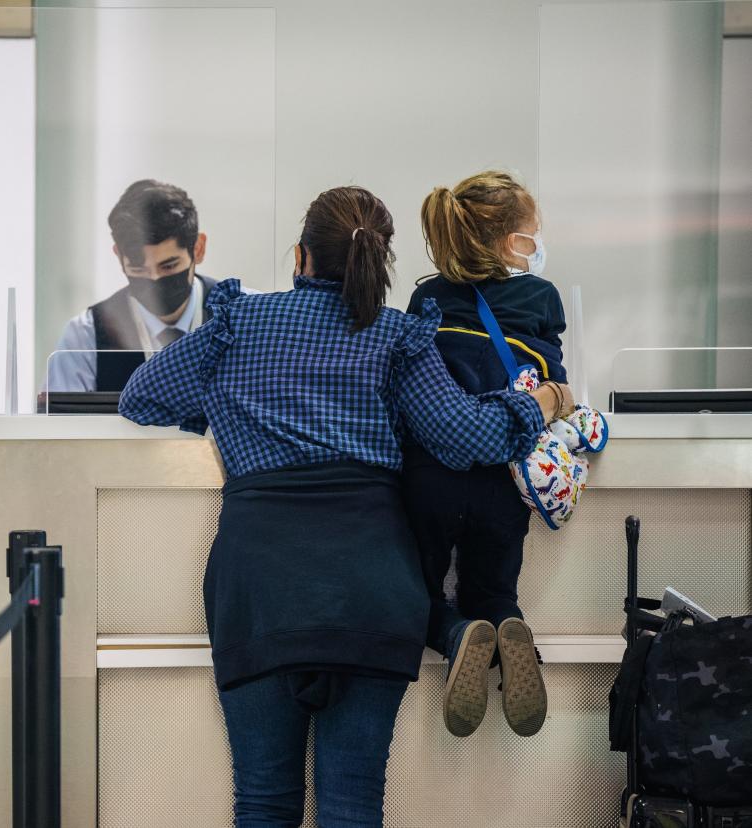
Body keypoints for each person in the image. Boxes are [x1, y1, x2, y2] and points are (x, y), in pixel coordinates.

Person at [119, 185, 572, 827]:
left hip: (259, 590)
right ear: (380, 267)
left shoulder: (240, 322)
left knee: (263, 804)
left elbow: (142, 395)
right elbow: (470, 437)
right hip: (373, 587)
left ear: (301, 257)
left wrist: (226, 407)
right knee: (352, 808)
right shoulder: (397, 338)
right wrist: (542, 403)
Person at [403, 171, 567, 740]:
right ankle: (504, 622)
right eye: (530, 235)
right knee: (494, 587)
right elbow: (555, 380)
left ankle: (456, 635)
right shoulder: (541, 297)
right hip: (504, 477)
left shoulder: (426, 298)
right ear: (502, 240)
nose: (537, 244)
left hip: (430, 477)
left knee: (414, 594)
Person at [47, 179, 220, 393]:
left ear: (198, 249)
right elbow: (60, 425)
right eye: (139, 270)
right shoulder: (86, 335)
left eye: (169, 266)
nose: (154, 278)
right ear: (119, 255)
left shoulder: (247, 318)